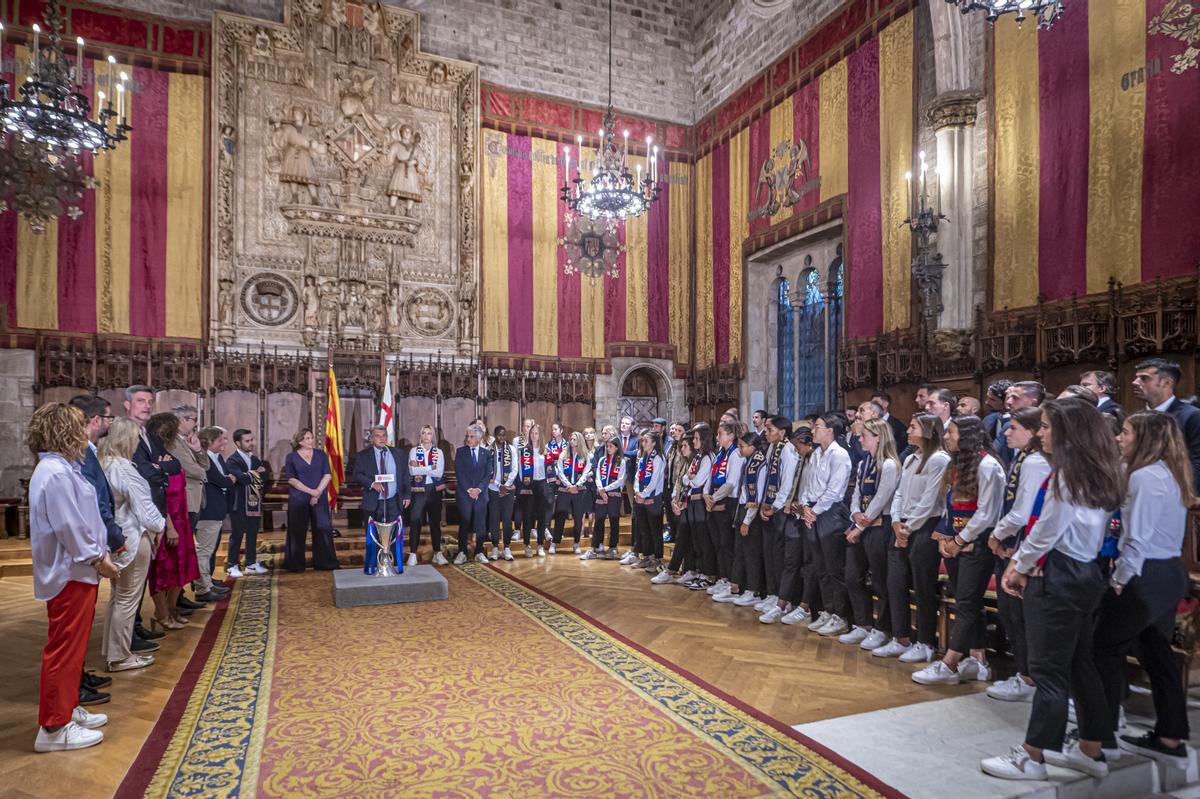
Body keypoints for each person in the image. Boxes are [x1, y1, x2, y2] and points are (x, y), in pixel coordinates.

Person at [982, 398, 1122, 781]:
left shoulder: (1067, 474)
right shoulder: (1098, 470)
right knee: (1079, 665)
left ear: (1068, 431)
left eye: (1045, 427)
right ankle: (1092, 749)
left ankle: (1032, 757)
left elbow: (1047, 529)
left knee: (1048, 672)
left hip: (1058, 574)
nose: (1040, 433)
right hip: (1085, 573)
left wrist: (1018, 566)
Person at [1096, 412, 1192, 764]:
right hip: (1167, 572)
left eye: (1124, 433)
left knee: (1102, 648)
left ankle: (1100, 735)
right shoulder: (1169, 472)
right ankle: (1170, 737)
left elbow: (1136, 538)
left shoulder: (1145, 477)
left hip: (1145, 574)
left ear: (1145, 439)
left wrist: (1120, 580)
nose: (1119, 438)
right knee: (1157, 655)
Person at [28, 402, 117, 752]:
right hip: (71, 572)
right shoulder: (56, 473)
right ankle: (53, 727)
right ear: (64, 430)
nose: (85, 433)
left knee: (75, 648)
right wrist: (98, 559)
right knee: (64, 650)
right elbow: (69, 526)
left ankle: (67, 708)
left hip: (79, 570)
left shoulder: (64, 467)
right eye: (79, 427)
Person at [911, 416, 1004, 685]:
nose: (947, 437)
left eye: (950, 432)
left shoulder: (988, 466)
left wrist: (960, 540)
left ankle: (949, 662)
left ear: (968, 436)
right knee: (968, 601)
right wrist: (944, 537)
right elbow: (951, 508)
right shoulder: (958, 465)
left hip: (977, 544)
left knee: (965, 601)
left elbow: (988, 513)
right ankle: (979, 660)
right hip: (956, 542)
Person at [985, 407, 1051, 702]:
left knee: (1018, 615)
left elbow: (1023, 512)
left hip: (1020, 544)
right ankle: (1025, 673)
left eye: (1013, 427)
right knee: (1012, 614)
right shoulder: (1024, 458)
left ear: (1033, 430)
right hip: (1015, 543)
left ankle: (1028, 677)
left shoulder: (1035, 462)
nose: (1006, 433)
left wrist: (997, 534)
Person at [878, 414, 950, 661]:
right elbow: (898, 495)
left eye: (913, 426)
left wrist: (908, 528)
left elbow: (931, 501)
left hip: (924, 526)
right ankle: (901, 637)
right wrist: (897, 522)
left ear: (928, 430)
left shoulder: (939, 459)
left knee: (922, 587)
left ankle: (926, 642)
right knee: (895, 582)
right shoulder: (910, 458)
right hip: (902, 526)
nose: (907, 430)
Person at [98, 418, 164, 672]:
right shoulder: (124, 468)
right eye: (136, 437)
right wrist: (162, 526)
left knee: (118, 598)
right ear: (126, 439)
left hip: (117, 538)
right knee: (127, 599)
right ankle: (120, 656)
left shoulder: (106, 463)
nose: (138, 442)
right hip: (133, 539)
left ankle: (113, 650)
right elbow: (146, 511)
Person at [782, 414, 850, 632]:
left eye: (818, 427)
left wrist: (814, 510)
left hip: (830, 513)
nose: (814, 431)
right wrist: (805, 507)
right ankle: (827, 610)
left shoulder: (839, 455)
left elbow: (834, 490)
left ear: (830, 430)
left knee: (833, 568)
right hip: (812, 510)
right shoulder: (817, 454)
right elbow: (809, 484)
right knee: (819, 566)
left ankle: (840, 616)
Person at [840, 418, 901, 649]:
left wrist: (860, 525)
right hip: (862, 524)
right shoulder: (865, 462)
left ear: (878, 437)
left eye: (865, 434)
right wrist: (855, 514)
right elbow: (856, 493)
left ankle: (882, 628)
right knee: (853, 576)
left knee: (880, 581)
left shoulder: (889, 464)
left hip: (879, 527)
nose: (860, 438)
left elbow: (881, 499)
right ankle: (862, 624)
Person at [145, 414, 200, 631]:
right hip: (166, 519)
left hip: (182, 517)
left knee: (182, 568)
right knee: (163, 569)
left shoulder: (172, 457)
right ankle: (161, 611)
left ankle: (172, 607)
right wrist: (169, 526)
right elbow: (157, 495)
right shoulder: (153, 459)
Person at [745, 416, 798, 611]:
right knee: (769, 553)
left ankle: (782, 596)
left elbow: (786, 482)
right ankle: (771, 592)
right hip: (768, 505)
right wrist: (762, 505)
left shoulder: (788, 450)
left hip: (780, 509)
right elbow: (768, 478)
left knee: (779, 554)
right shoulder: (772, 449)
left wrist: (774, 506)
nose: (765, 433)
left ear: (782, 432)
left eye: (769, 429)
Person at [1132, 357, 1200, 489]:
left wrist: (1173, 490)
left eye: (1144, 378)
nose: (1135, 382)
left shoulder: (1192, 416)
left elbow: (1198, 462)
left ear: (1167, 383)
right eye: (1136, 377)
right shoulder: (1136, 418)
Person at [283, 429, 339, 572]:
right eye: (307, 438)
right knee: (297, 531)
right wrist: (310, 492)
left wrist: (317, 492)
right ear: (300, 441)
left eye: (311, 438)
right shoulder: (291, 457)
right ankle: (296, 565)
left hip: (319, 497)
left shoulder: (321, 455)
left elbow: (327, 475)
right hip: (299, 498)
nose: (311, 441)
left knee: (323, 528)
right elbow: (291, 479)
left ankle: (325, 563)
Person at [706, 422, 745, 599]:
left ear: (730, 436)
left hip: (729, 502)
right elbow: (711, 476)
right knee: (718, 544)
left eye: (720, 433)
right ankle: (722, 578)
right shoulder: (719, 454)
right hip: (714, 502)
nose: (717, 437)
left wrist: (714, 499)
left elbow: (731, 482)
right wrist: (707, 495)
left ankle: (731, 581)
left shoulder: (736, 454)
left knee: (727, 544)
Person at [193, 427, 233, 600]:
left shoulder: (215, 457)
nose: (223, 443)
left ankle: (207, 583)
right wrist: (228, 480)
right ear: (208, 442)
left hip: (215, 509)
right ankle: (203, 588)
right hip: (207, 510)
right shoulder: (204, 459)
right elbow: (222, 479)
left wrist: (227, 480)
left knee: (208, 551)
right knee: (203, 552)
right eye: (220, 440)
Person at [226, 429, 270, 577]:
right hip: (238, 503)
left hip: (254, 503)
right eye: (247, 441)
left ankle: (251, 563)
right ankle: (232, 564)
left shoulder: (255, 459)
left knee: (252, 534)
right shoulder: (232, 460)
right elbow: (241, 478)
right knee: (237, 534)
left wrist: (249, 475)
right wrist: (255, 474)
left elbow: (265, 476)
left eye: (252, 440)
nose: (251, 443)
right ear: (238, 443)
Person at [407, 425, 447, 565]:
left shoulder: (439, 452)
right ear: (420, 435)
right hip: (418, 491)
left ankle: (437, 552)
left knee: (435, 523)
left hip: (434, 490)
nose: (426, 436)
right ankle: (413, 554)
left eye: (429, 433)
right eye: (424, 433)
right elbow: (412, 471)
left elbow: (439, 473)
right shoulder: (414, 451)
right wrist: (431, 467)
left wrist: (421, 468)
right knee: (415, 521)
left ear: (433, 436)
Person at [454, 424, 493, 564]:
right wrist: (469, 490)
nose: (468, 439)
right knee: (464, 523)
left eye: (471, 437)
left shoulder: (486, 453)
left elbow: (488, 474)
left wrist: (479, 489)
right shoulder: (461, 452)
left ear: (479, 438)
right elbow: (460, 473)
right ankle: (462, 552)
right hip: (465, 494)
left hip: (481, 495)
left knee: (480, 525)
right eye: (467, 436)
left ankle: (479, 552)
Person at [586, 437, 626, 560]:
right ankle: (596, 546)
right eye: (607, 446)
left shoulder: (621, 462)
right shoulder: (602, 460)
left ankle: (613, 547)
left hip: (614, 494)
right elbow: (598, 476)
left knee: (614, 520)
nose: (608, 449)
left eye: (611, 446)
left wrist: (605, 489)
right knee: (599, 519)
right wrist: (600, 488)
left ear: (617, 447)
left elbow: (620, 480)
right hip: (601, 493)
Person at [554, 431, 593, 554]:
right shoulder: (563, 455)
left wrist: (576, 485)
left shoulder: (586, 456)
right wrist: (569, 485)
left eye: (574, 439)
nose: (572, 441)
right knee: (560, 515)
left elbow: (586, 473)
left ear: (579, 441)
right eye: (570, 439)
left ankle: (576, 543)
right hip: (564, 490)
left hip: (579, 491)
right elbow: (559, 471)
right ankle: (555, 543)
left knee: (578, 517)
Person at [633, 432, 667, 571]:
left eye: (646, 441)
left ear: (654, 443)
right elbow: (637, 476)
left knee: (655, 530)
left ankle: (657, 559)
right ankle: (647, 556)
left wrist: (645, 494)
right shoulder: (643, 458)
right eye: (642, 441)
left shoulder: (658, 458)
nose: (643, 443)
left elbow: (655, 480)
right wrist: (637, 491)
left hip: (653, 498)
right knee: (644, 530)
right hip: (641, 497)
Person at [516, 424, 550, 558]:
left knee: (541, 516)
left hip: (541, 484)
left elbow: (550, 469)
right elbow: (520, 469)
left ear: (540, 435)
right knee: (528, 516)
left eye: (536, 433)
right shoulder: (525, 450)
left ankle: (540, 545)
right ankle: (527, 545)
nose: (534, 436)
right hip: (529, 484)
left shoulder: (545, 450)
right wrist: (524, 484)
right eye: (532, 433)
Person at [995, 381, 1045, 469]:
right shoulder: (1007, 427)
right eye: (1009, 397)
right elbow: (990, 452)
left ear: (1032, 403)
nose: (1009, 402)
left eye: (1015, 397)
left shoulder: (1047, 430)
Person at [486, 425, 517, 561]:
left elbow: (515, 468)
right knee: (494, 519)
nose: (501, 437)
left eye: (504, 435)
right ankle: (494, 548)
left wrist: (506, 485)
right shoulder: (488, 450)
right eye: (499, 435)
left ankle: (507, 547)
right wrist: (499, 486)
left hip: (508, 490)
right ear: (495, 435)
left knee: (507, 519)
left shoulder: (511, 450)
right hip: (493, 489)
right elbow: (487, 471)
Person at [544, 422, 568, 545]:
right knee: (550, 504)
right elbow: (549, 462)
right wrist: (553, 476)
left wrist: (561, 477)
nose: (553, 431)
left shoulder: (567, 445)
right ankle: (546, 528)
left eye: (556, 429)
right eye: (552, 429)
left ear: (561, 430)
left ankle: (559, 530)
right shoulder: (549, 445)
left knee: (561, 507)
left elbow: (567, 462)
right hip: (553, 478)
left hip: (564, 479)